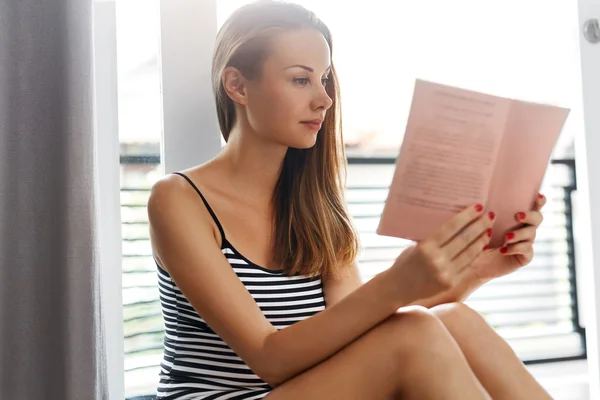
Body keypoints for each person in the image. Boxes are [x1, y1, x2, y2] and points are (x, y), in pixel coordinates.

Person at [147, 1, 552, 399]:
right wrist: (397, 281)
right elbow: (267, 357)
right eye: (300, 80)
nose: (324, 99)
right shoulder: (178, 199)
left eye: (324, 80)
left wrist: (477, 270)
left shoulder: (314, 205)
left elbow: (358, 326)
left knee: (453, 320)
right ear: (237, 85)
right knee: (415, 333)